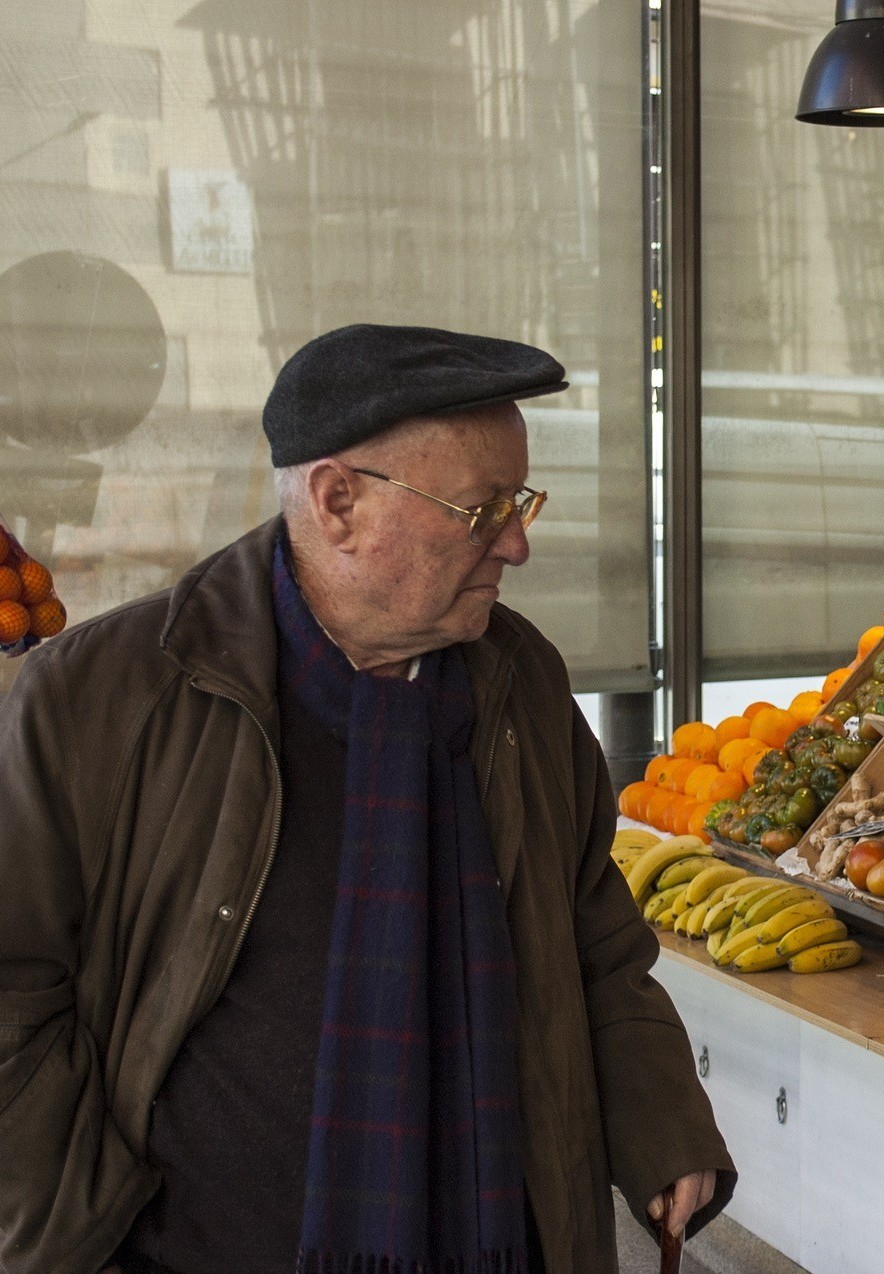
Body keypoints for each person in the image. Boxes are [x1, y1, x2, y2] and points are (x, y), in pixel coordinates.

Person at [0, 324, 735, 1274]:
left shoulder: (521, 683)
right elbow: (12, 988)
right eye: (480, 510)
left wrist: (662, 1123)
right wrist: (78, 1222)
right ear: (336, 500)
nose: (515, 543)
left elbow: (596, 945)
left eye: (521, 501)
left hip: (489, 1231)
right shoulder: (102, 695)